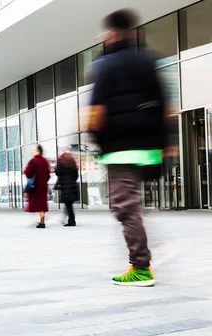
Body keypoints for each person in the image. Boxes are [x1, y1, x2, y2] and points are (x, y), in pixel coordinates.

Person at [88, 9, 170, 287]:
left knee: (125, 207)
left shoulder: (105, 65)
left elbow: (96, 110)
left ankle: (140, 267)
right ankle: (142, 253)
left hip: (120, 147)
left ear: (111, 33)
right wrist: (164, 143)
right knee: (133, 205)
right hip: (147, 147)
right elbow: (164, 105)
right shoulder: (148, 61)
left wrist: (96, 140)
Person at [24, 145, 51, 228]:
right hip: (43, 186)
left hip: (35, 186)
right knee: (42, 204)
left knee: (36, 203)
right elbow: (48, 174)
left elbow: (27, 172)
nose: (32, 151)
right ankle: (42, 222)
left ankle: (40, 221)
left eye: (33, 150)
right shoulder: (45, 161)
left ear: (38, 151)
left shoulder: (33, 161)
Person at [55, 150, 79, 227]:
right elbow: (76, 174)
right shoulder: (72, 161)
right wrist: (72, 180)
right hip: (72, 184)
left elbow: (57, 172)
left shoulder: (61, 160)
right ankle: (68, 219)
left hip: (65, 185)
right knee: (69, 203)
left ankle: (71, 221)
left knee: (68, 204)